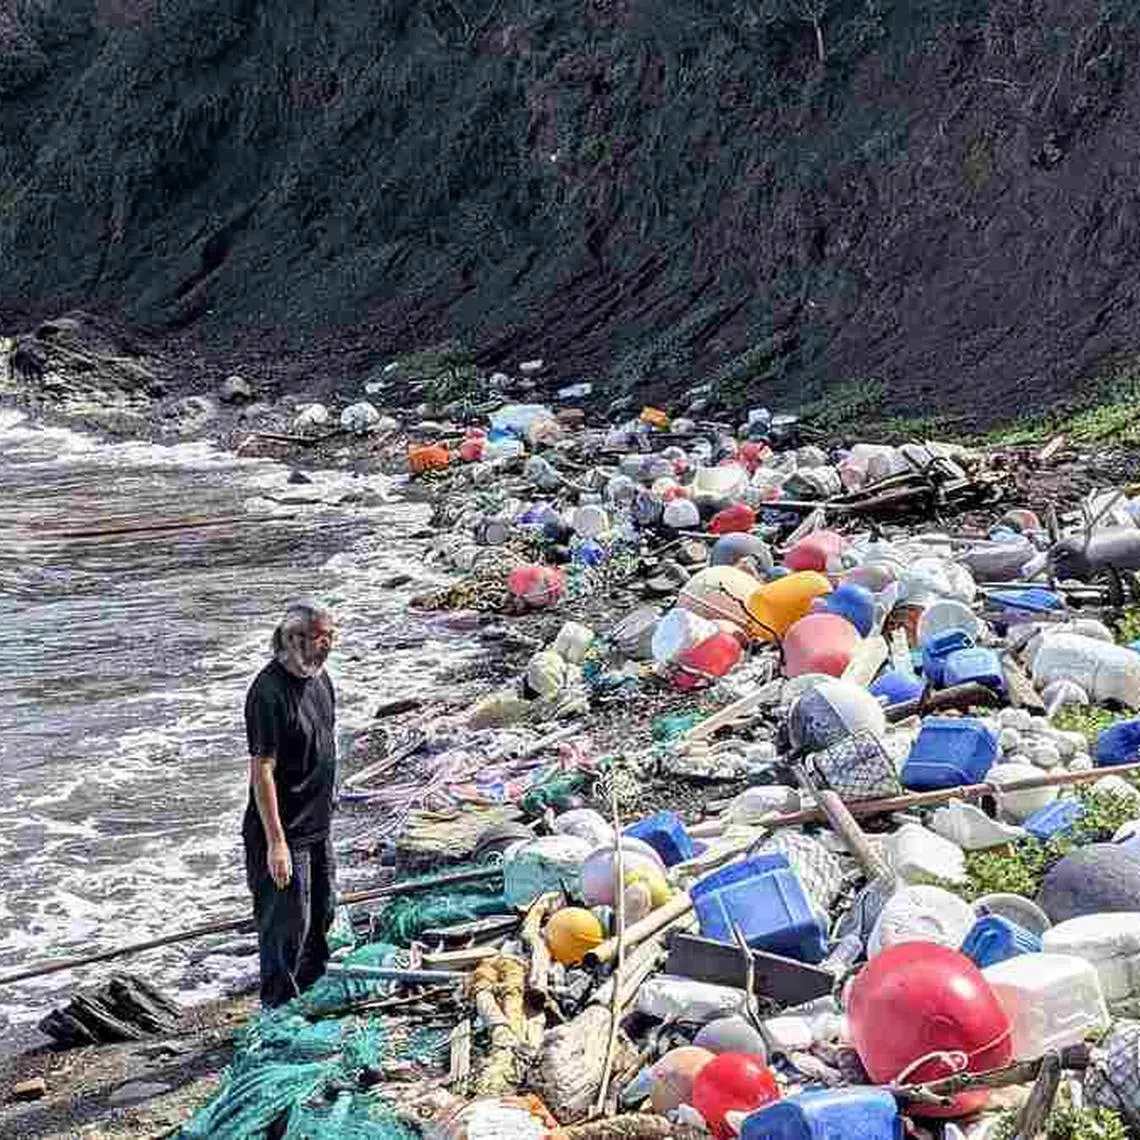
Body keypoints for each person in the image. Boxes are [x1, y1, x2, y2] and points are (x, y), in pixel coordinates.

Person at [242, 600, 338, 1006]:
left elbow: (325, 738)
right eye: (319, 639)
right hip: (284, 833)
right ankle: (279, 1009)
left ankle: (311, 999)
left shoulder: (320, 679)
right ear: (293, 639)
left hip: (318, 825)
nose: (326, 647)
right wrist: (276, 842)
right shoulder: (267, 692)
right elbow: (262, 770)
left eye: (329, 638)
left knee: (322, 917)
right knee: (287, 930)